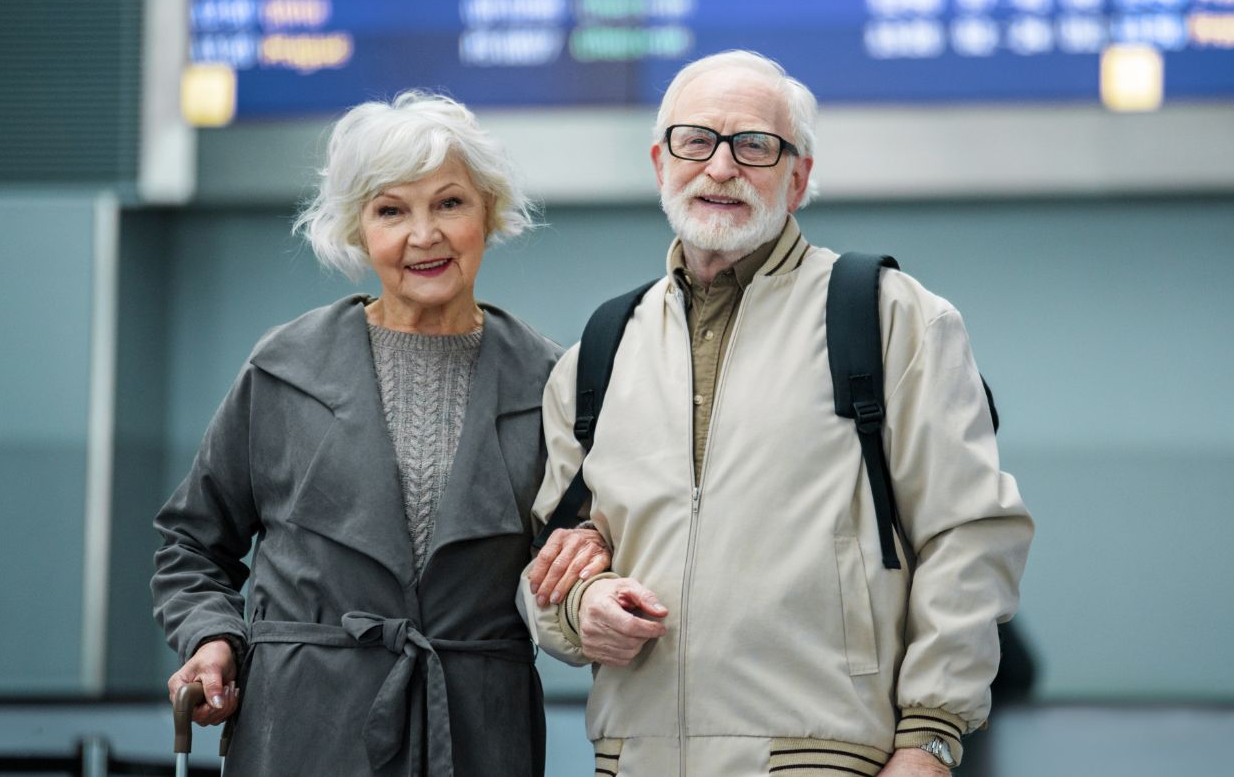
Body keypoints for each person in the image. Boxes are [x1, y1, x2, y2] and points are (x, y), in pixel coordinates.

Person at [521, 51, 1034, 776]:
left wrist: (930, 741)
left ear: (797, 179)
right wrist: (583, 606)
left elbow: (970, 536)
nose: (721, 168)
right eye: (694, 140)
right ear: (659, 163)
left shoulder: (889, 317)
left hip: (825, 758)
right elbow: (546, 570)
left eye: (755, 146)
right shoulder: (597, 353)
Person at [152, 91, 605, 777]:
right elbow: (191, 543)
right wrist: (212, 636)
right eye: (392, 210)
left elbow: (582, 550)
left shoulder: (553, 382)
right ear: (358, 232)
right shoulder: (285, 368)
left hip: (476, 734)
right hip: (301, 730)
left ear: (488, 212)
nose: (424, 235)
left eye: (450, 204)